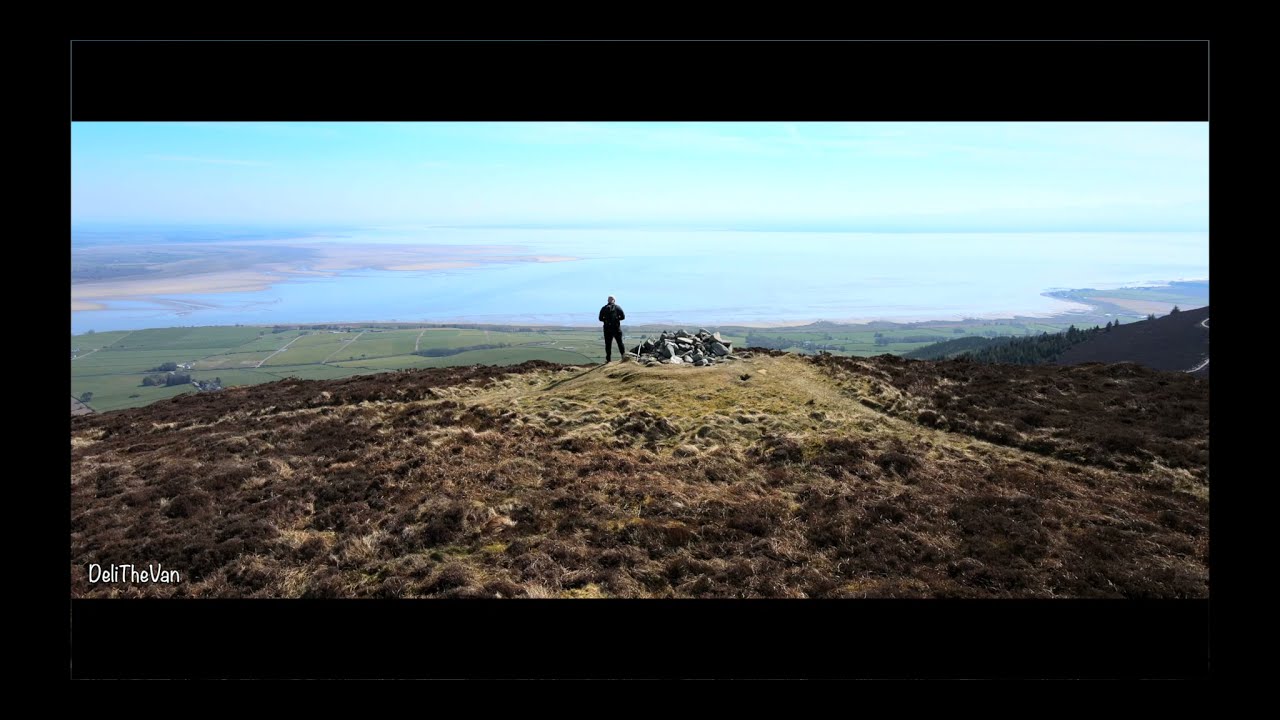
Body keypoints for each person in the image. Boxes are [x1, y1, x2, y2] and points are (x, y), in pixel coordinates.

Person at [599, 295, 627, 362]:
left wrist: (605, 320)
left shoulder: (603, 308)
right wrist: (617, 319)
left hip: (607, 329)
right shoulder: (618, 307)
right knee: (620, 343)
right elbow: (623, 317)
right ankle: (623, 357)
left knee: (608, 344)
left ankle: (608, 360)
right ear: (614, 300)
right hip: (616, 328)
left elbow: (600, 318)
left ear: (608, 300)